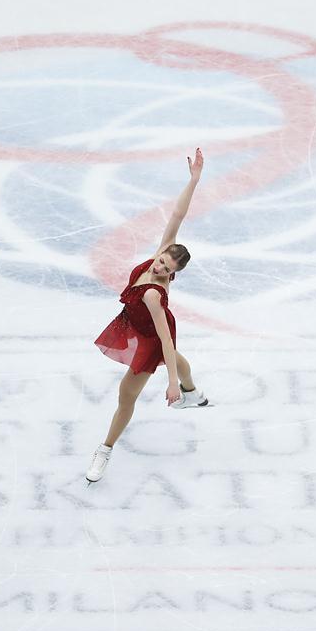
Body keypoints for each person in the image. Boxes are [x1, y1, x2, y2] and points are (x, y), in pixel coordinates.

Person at [86, 147, 209, 483]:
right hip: (135, 322)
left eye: (166, 268)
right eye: (160, 260)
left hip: (152, 337)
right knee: (183, 364)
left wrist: (170, 383)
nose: (158, 265)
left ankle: (104, 450)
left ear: (174, 273)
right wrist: (194, 180)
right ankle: (193, 393)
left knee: (126, 397)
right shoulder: (160, 253)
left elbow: (166, 341)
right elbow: (177, 217)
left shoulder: (154, 294)